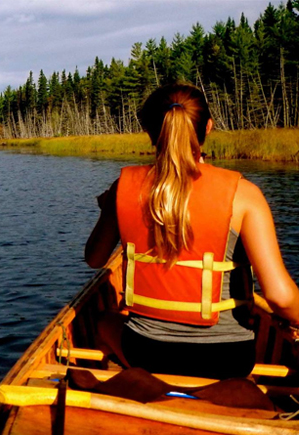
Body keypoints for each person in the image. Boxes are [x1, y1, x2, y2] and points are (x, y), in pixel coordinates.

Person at [84, 83, 299, 379]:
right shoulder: (245, 195)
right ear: (208, 127)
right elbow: (281, 297)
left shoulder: (123, 189)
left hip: (146, 353)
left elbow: (95, 259)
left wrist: (112, 207)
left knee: (103, 321)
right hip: (229, 358)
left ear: (149, 131)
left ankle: (126, 387)